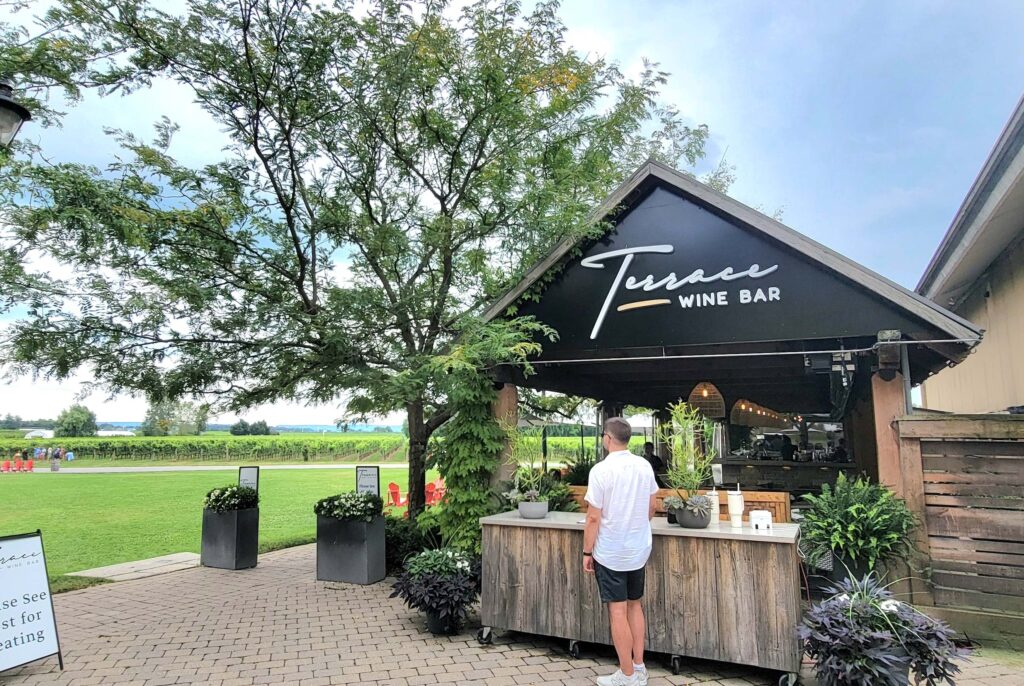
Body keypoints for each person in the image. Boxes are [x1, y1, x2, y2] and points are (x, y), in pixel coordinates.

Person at [583, 417, 659, 686]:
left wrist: (586, 552)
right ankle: (639, 666)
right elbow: (652, 507)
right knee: (635, 605)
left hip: (611, 551)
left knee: (617, 611)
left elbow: (593, 518)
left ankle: (627, 675)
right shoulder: (644, 465)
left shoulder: (601, 471)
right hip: (638, 548)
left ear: (607, 438)